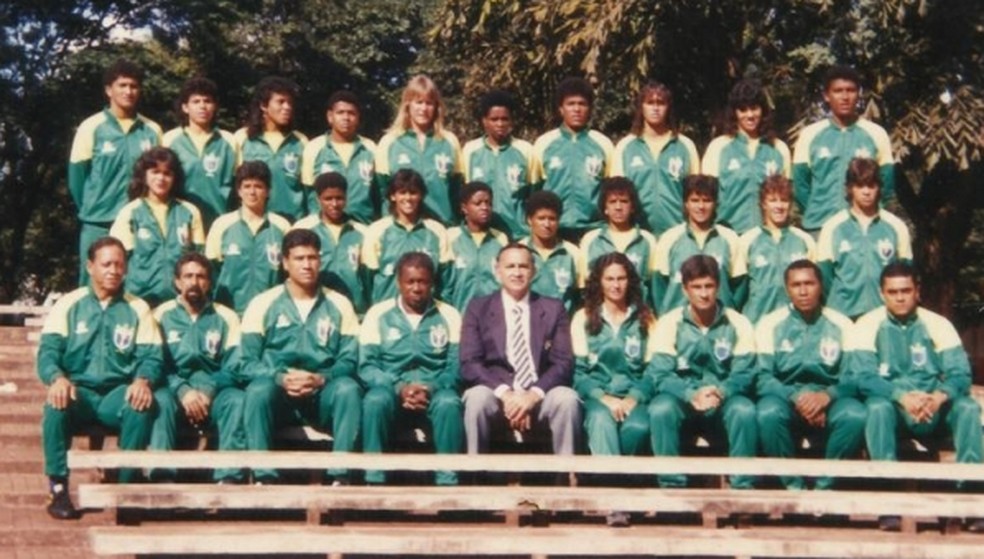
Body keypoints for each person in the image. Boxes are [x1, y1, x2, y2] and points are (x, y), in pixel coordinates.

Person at [37, 237, 163, 519]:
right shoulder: (69, 304)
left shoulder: (137, 308)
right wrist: (57, 378)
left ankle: (126, 491)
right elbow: (48, 353)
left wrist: (142, 380)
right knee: (55, 405)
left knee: (139, 404)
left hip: (117, 392)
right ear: (90, 266)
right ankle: (58, 489)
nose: (113, 271)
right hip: (79, 391)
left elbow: (151, 356)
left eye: (119, 264)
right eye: (106, 264)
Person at [855, 263, 984, 532]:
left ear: (917, 291)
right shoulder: (868, 324)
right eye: (893, 292)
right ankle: (888, 501)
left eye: (906, 290)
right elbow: (864, 377)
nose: (900, 297)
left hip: (934, 408)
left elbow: (960, 374)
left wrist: (938, 397)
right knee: (876, 408)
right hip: (896, 410)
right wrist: (901, 397)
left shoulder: (938, 324)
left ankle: (970, 498)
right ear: (882, 294)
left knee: (968, 408)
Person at [240, 229, 362, 484]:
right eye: (299, 258)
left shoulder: (340, 304)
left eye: (312, 258)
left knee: (348, 389)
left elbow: (350, 360)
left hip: (322, 395)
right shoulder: (262, 303)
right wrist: (280, 378)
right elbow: (246, 362)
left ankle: (340, 477)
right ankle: (264, 477)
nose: (307, 265)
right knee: (257, 391)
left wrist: (321, 378)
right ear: (285, 262)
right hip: (279, 395)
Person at [459, 243, 581, 461]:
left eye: (523, 266)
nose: (517, 273)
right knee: (476, 399)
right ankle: (475, 475)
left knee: (567, 399)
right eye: (510, 266)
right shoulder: (478, 308)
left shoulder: (553, 308)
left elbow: (563, 362)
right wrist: (508, 396)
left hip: (540, 393)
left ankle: (567, 475)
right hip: (496, 393)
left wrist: (532, 396)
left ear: (534, 271)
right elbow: (470, 362)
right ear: (497, 270)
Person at [646, 255, 757, 489]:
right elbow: (661, 374)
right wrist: (691, 395)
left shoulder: (738, 322)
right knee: (660, 408)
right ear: (685, 289)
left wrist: (721, 391)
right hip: (684, 401)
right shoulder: (669, 323)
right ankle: (672, 488)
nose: (704, 294)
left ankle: (742, 487)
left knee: (744, 410)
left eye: (709, 286)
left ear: (718, 286)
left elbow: (744, 373)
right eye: (697, 287)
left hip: (722, 399)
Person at [755, 259, 865, 490]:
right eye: (796, 285)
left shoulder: (842, 324)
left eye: (809, 284)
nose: (803, 291)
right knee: (767, 413)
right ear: (787, 289)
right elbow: (763, 378)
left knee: (854, 415)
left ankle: (824, 488)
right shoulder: (769, 324)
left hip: (830, 400)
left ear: (821, 286)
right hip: (787, 399)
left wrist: (827, 396)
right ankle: (793, 487)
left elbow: (854, 376)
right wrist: (796, 397)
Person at [359, 252, 464, 485]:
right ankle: (374, 479)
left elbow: (456, 366)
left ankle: (448, 481)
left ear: (432, 283)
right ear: (399, 282)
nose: (417, 288)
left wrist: (431, 387)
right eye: (410, 282)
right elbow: (368, 366)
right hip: (392, 391)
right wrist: (399, 388)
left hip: (434, 391)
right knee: (375, 400)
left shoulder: (449, 314)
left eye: (423, 282)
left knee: (449, 403)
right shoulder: (378, 314)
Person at [150, 252, 246, 483]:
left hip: (214, 392)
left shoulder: (226, 317)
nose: (194, 282)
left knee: (237, 400)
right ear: (177, 281)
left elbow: (234, 365)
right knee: (160, 401)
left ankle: (228, 478)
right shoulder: (160, 315)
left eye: (201, 277)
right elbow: (155, 362)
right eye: (188, 276)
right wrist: (183, 390)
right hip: (174, 392)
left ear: (209, 283)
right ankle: (162, 478)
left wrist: (209, 389)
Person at [69, 59, 162, 284]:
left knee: (138, 283)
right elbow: (77, 179)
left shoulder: (152, 130)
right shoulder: (91, 127)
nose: (128, 91)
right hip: (99, 222)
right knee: (93, 284)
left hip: (139, 221)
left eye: (134, 86)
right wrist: (93, 208)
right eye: (122, 85)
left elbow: (161, 176)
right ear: (109, 90)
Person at [573, 253, 658, 458]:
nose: (616, 285)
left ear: (630, 281)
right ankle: (608, 476)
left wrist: (634, 397)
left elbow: (654, 369)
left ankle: (627, 476)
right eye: (609, 279)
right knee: (601, 420)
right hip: (597, 397)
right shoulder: (583, 317)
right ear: (599, 282)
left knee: (638, 427)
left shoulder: (646, 318)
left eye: (621, 278)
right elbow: (577, 372)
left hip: (634, 395)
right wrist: (603, 397)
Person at [792, 65, 895, 232]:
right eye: (838, 91)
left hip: (863, 228)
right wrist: (816, 211)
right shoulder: (809, 135)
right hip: (819, 226)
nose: (845, 97)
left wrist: (869, 213)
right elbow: (800, 185)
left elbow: (887, 183)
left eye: (851, 90)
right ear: (826, 95)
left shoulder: (877, 134)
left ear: (859, 94)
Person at [109, 147, 205, 307]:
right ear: (144, 175)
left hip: (180, 301)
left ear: (175, 178)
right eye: (155, 172)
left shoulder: (189, 212)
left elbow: (199, 259)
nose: (161, 178)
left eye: (167, 173)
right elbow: (118, 260)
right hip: (140, 298)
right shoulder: (130, 213)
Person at [817, 157, 912, 319]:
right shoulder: (832, 227)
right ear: (850, 188)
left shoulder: (896, 226)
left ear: (879, 188)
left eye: (871, 185)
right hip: (843, 314)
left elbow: (905, 272)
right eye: (860, 186)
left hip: (883, 314)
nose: (866, 192)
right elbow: (824, 276)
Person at [702, 79, 791, 234]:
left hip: (767, 237)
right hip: (729, 235)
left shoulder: (779, 148)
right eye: (743, 109)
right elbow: (706, 196)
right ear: (734, 113)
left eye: (754, 108)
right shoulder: (718, 148)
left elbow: (788, 196)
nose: (750, 115)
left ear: (763, 110)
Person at [532, 77, 614, 240]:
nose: (577, 109)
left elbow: (611, 189)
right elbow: (535, 191)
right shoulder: (544, 143)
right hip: (555, 229)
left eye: (582, 104)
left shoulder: (603, 143)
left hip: (595, 228)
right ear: (561, 109)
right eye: (571, 104)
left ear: (590, 108)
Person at [612, 81, 699, 235]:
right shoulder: (625, 147)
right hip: (636, 234)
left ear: (668, 107)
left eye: (661, 103)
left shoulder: (685, 146)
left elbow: (697, 193)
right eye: (650, 102)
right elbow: (616, 194)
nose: (656, 108)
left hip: (677, 233)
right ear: (641, 107)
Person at [206, 161, 292, 315]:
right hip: (230, 311)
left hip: (270, 312)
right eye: (247, 186)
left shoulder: (282, 226)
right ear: (239, 191)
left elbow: (289, 274)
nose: (252, 192)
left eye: (258, 186)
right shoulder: (221, 225)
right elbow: (211, 271)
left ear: (268, 191)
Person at [651, 175, 746, 315]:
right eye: (695, 200)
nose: (701, 207)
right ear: (686, 203)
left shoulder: (730, 238)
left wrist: (728, 312)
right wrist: (667, 315)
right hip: (679, 321)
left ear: (715, 203)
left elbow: (740, 285)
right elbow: (659, 286)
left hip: (719, 321)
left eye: (707, 200)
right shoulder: (669, 239)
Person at [375, 75, 462, 225]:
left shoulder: (449, 141)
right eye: (419, 102)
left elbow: (457, 190)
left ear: (436, 107)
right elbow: (382, 191)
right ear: (408, 105)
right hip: (401, 229)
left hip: (442, 226)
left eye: (429, 103)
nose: (423, 109)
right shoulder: (389, 141)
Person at [362, 169, 452, 305]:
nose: (408, 198)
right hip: (388, 311)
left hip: (425, 310)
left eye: (413, 193)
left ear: (421, 196)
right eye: (402, 192)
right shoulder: (376, 231)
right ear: (393, 196)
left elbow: (446, 278)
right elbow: (367, 279)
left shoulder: (437, 231)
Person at [738, 176, 816, 323]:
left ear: (790, 203)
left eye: (784, 200)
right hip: (757, 322)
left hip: (794, 324)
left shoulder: (804, 240)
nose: (779, 206)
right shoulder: (747, 240)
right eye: (773, 200)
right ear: (763, 204)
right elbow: (740, 290)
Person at [162, 76, 237, 227]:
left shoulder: (229, 141)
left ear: (215, 106)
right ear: (185, 107)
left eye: (207, 101)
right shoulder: (169, 139)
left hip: (219, 219)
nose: (202, 106)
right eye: (196, 101)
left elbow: (238, 184)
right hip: (180, 219)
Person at [461, 89, 537, 237]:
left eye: (505, 119)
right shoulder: (470, 151)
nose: (500, 124)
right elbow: (464, 193)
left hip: (517, 233)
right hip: (482, 233)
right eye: (494, 119)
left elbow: (533, 194)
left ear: (511, 121)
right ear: (484, 121)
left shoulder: (526, 150)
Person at [293, 172, 370, 315]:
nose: (334, 204)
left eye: (339, 198)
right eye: (328, 199)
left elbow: (367, 277)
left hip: (355, 309)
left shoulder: (362, 232)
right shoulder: (303, 228)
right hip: (316, 308)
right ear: (318, 199)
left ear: (346, 198)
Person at [234, 76, 308, 221]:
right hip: (256, 221)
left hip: (294, 222)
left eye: (290, 103)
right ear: (263, 105)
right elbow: (235, 186)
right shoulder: (242, 138)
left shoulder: (300, 141)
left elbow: (307, 189)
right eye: (281, 102)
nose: (287, 107)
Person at [302, 90, 378, 224]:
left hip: (363, 226)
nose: (346, 118)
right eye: (340, 112)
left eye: (351, 113)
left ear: (358, 117)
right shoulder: (314, 148)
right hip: (324, 229)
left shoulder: (370, 148)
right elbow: (307, 192)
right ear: (330, 116)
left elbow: (378, 193)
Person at [578, 177, 658, 303]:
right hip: (600, 310)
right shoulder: (590, 239)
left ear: (632, 207)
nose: (618, 207)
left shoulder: (647, 240)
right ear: (605, 207)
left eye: (624, 201)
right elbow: (585, 283)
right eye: (612, 202)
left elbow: (654, 284)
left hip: (637, 309)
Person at [444, 181, 509, 312]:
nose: (484, 207)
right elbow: (445, 282)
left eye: (488, 203)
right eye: (478, 203)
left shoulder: (500, 239)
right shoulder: (451, 237)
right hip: (460, 313)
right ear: (464, 208)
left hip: (493, 314)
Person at [519, 191, 582, 311]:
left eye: (552, 219)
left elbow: (580, 295)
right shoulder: (519, 251)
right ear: (529, 220)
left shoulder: (573, 253)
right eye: (541, 218)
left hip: (562, 321)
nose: (547, 224)